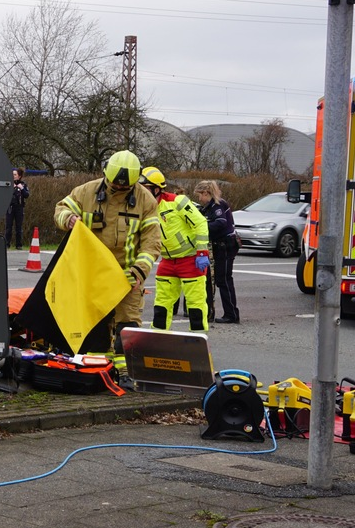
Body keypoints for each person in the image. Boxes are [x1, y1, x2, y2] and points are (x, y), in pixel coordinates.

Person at [53, 150, 160, 381]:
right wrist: (68, 219)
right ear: (105, 175)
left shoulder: (146, 201)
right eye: (114, 185)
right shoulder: (86, 192)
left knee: (128, 326)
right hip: (93, 276)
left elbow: (152, 243)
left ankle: (126, 373)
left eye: (125, 187)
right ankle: (97, 371)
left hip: (127, 277)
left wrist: (139, 272)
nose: (119, 189)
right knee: (95, 325)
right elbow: (60, 209)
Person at [140, 167, 210, 332]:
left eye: (145, 188)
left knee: (195, 306)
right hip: (167, 262)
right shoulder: (144, 209)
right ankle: (158, 339)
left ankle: (198, 341)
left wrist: (202, 252)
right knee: (161, 305)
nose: (141, 192)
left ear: (157, 189)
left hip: (191, 260)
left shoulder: (177, 202)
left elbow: (200, 223)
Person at [196, 180, 240, 324]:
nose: (199, 199)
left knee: (224, 280)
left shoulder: (218, 205)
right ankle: (218, 312)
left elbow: (220, 223)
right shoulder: (207, 208)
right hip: (218, 245)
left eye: (199, 195)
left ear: (206, 193)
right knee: (217, 280)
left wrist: (203, 225)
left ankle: (231, 314)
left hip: (226, 245)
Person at [5, 168, 30, 249]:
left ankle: (19, 245)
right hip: (10, 208)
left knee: (19, 227)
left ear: (19, 176)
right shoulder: (9, 184)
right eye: (12, 174)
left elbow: (26, 195)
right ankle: (7, 244)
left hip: (19, 208)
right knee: (8, 227)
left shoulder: (23, 184)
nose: (13, 176)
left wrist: (21, 188)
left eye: (15, 175)